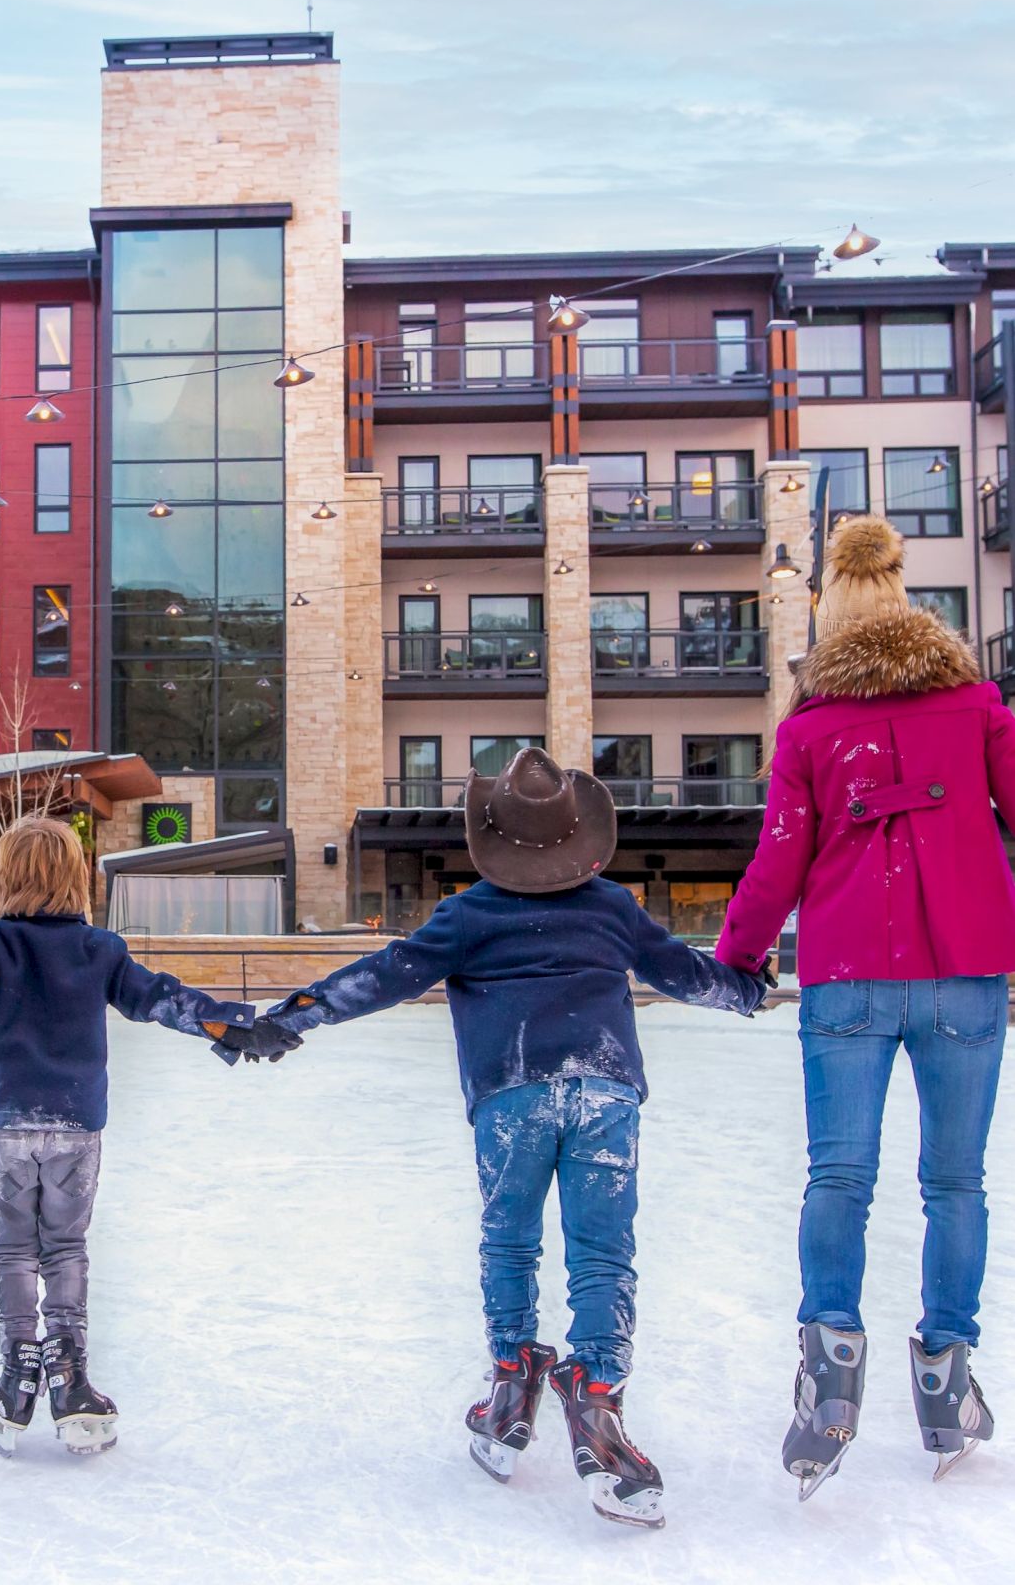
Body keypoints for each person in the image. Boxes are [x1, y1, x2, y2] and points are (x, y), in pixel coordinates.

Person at [263, 748, 768, 1529]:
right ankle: (597, 1395)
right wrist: (744, 991)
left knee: (510, 1244)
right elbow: (682, 971)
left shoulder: (467, 916)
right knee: (603, 1252)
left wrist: (292, 1015)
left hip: (513, 1097)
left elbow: (385, 973)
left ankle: (511, 1379)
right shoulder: (611, 907)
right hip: (605, 1094)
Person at [715, 514, 1008, 1496]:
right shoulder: (976, 707)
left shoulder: (809, 729)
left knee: (838, 1178)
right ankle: (945, 1378)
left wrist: (738, 958)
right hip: (968, 971)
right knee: (954, 1183)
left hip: (846, 975)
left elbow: (780, 857)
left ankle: (832, 1373)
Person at [0, 816, 297, 1459]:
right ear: (75, 876)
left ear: (9, 875)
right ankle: (70, 1381)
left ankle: (18, 1378)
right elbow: (162, 999)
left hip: (7, 1119)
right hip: (75, 1122)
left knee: (14, 1248)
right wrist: (231, 1025)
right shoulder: (100, 949)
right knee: (65, 1246)